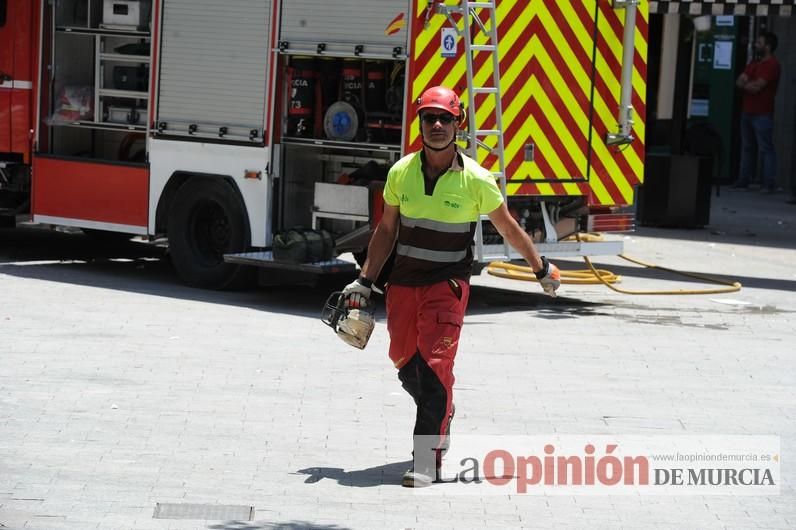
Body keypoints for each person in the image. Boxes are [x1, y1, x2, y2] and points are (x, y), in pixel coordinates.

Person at [339, 86, 561, 487]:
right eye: (429, 118)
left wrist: (541, 267)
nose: (437, 125)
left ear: (459, 124)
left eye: (445, 118)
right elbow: (386, 230)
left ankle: (427, 460)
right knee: (404, 361)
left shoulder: (477, 180)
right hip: (403, 284)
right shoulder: (400, 172)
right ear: (419, 124)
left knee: (436, 368)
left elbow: (508, 227)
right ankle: (442, 411)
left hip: (447, 285)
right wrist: (364, 281)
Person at [733, 31, 781, 193]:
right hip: (748, 111)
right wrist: (749, 85)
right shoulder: (754, 63)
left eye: (759, 43)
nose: (756, 45)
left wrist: (746, 85)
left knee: (765, 148)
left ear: (768, 46)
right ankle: (744, 180)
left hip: (762, 112)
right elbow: (740, 81)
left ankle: (768, 183)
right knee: (747, 147)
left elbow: (756, 87)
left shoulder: (772, 65)